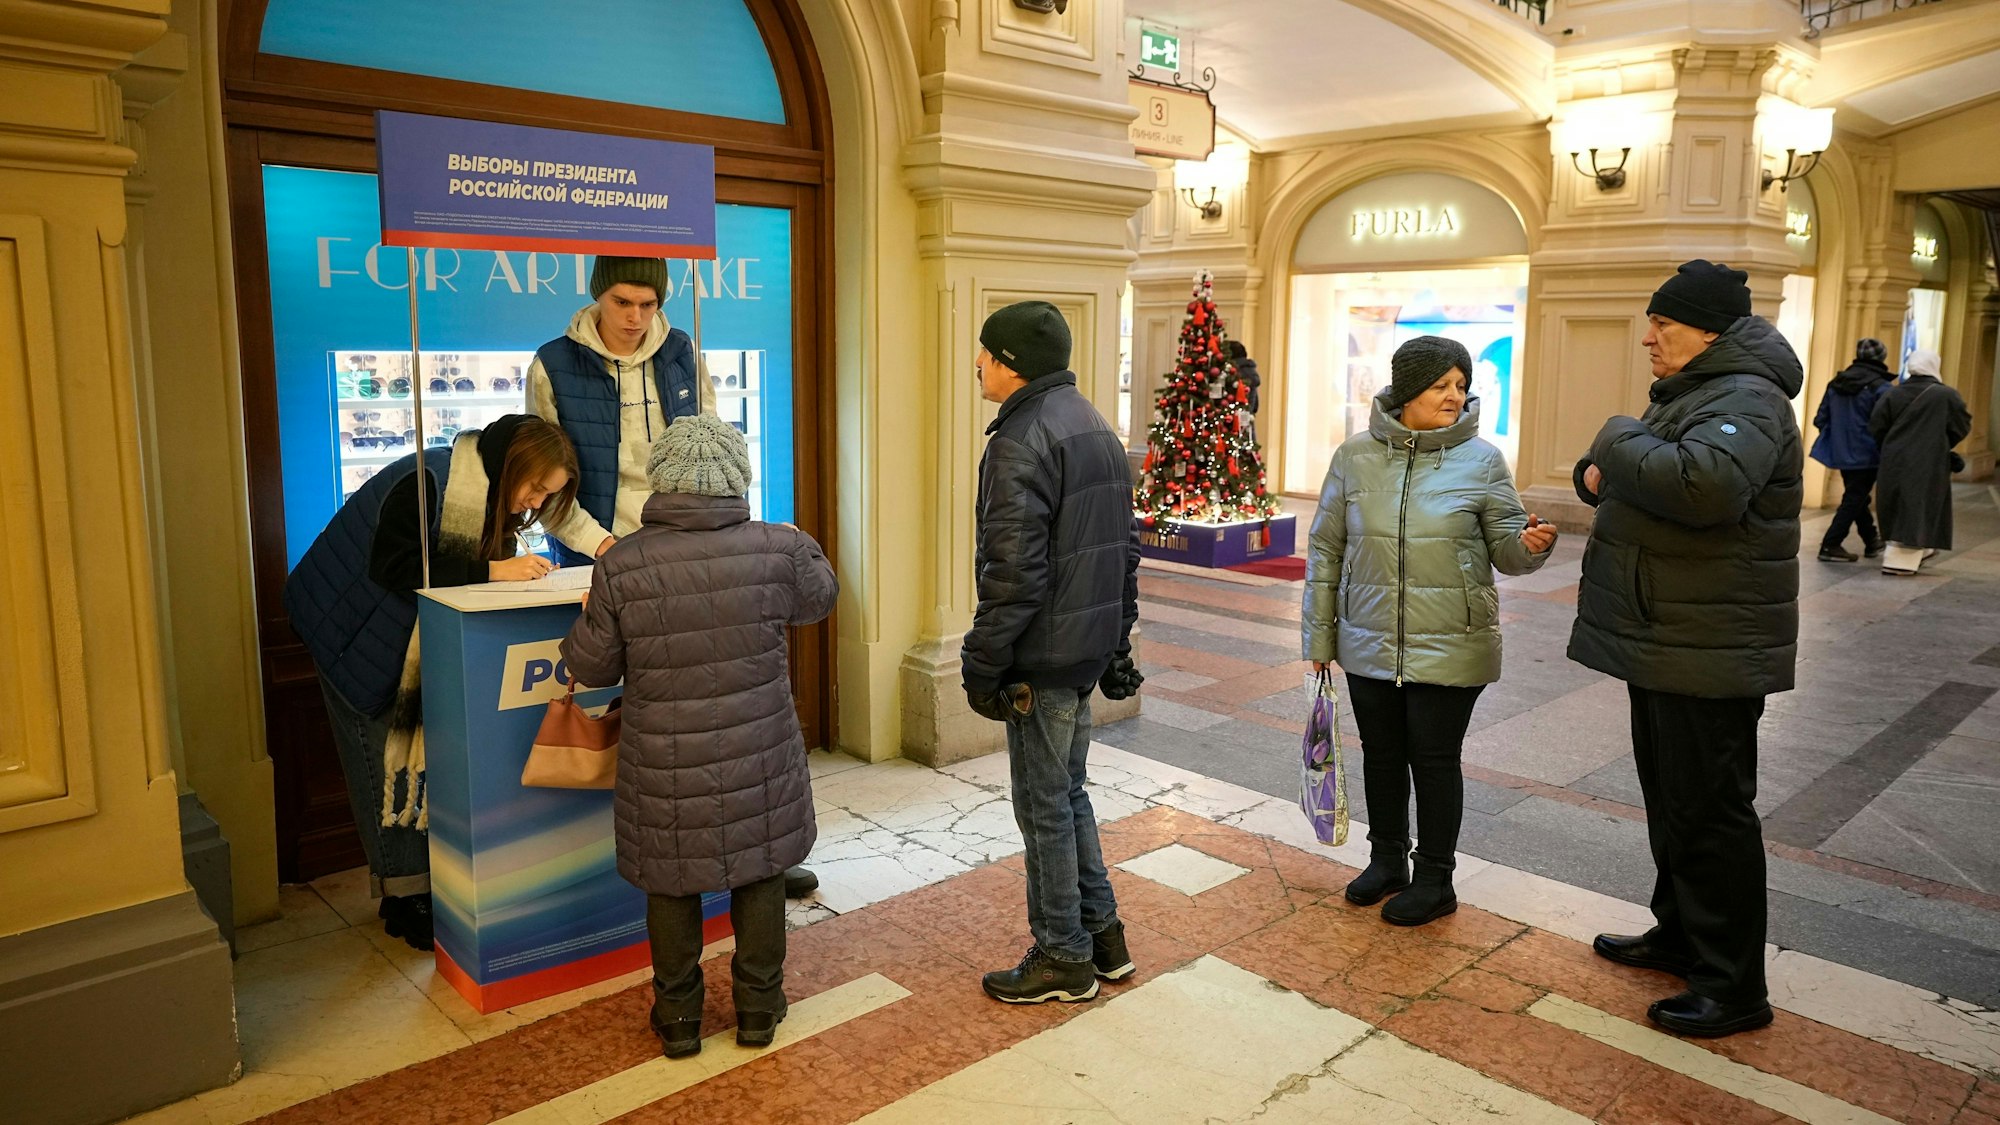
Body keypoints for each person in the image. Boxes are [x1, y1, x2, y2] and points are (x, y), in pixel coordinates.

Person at [529, 256, 820, 898]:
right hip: (602, 548)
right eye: (622, 303)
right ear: (597, 297)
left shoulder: (684, 352)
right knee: (648, 713)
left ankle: (755, 856)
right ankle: (642, 860)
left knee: (715, 701)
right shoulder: (553, 363)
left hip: (689, 537)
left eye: (648, 305)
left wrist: (729, 527)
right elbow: (546, 474)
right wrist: (599, 544)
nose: (635, 318)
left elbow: (716, 447)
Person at [1571, 260, 1802, 1039]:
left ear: (1709, 331)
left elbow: (1703, 487)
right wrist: (1601, 469)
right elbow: (1625, 476)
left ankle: (1733, 983)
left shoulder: (1749, 397)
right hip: (1669, 634)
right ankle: (1681, 934)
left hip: (1712, 642)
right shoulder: (1700, 392)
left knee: (1710, 812)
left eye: (1662, 325)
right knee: (1673, 800)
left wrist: (1614, 437)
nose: (1648, 338)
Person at [561, 414, 837, 1058]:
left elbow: (593, 667)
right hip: (759, 753)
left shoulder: (623, 565)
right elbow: (818, 601)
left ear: (662, 481)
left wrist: (585, 623)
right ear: (737, 477)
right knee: (762, 872)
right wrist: (806, 543)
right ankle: (759, 1011)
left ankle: (680, 1019)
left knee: (672, 881)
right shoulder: (777, 548)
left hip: (664, 759)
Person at [285, 415, 579, 951]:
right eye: (534, 487)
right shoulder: (429, 481)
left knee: (404, 759)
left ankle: (416, 889)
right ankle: (405, 898)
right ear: (510, 463)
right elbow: (397, 566)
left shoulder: (477, 486)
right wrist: (492, 572)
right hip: (348, 629)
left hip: (383, 630)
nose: (534, 503)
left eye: (546, 495)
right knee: (383, 759)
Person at [1302, 336, 1556, 927]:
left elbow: (1508, 550)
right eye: (1441, 385)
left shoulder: (1482, 459)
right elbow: (1325, 549)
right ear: (1407, 390)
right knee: (1383, 757)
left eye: (1461, 386)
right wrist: (1319, 639)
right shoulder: (1354, 457)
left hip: (1451, 640)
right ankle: (1386, 859)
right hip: (1367, 639)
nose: (1454, 396)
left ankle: (1436, 878)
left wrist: (1531, 547)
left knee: (1435, 760)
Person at [962, 300, 1144, 1005]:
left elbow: (1012, 572)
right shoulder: (1094, 424)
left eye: (985, 352)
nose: (977, 363)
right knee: (1068, 797)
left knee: (1044, 808)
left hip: (1041, 659)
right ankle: (1104, 938)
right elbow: (1125, 554)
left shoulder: (1021, 438)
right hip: (1082, 651)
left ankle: (1063, 955)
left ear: (1010, 362)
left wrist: (982, 663)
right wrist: (1118, 640)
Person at [1870, 348, 1972, 576]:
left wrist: (1890, 446)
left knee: (1896, 506)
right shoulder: (1946, 396)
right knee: (1921, 506)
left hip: (1893, 460)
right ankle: (1904, 559)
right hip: (1929, 461)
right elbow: (1961, 425)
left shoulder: (1892, 394)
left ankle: (1914, 550)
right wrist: (1940, 442)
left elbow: (1876, 426)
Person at [1809, 338, 1894, 562]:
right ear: (1881, 358)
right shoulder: (1881, 388)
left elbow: (1820, 419)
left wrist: (1839, 436)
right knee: (1854, 498)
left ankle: (1872, 541)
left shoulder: (1837, 383)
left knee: (1857, 497)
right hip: (1869, 453)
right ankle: (1831, 544)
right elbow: (1885, 423)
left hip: (1841, 452)